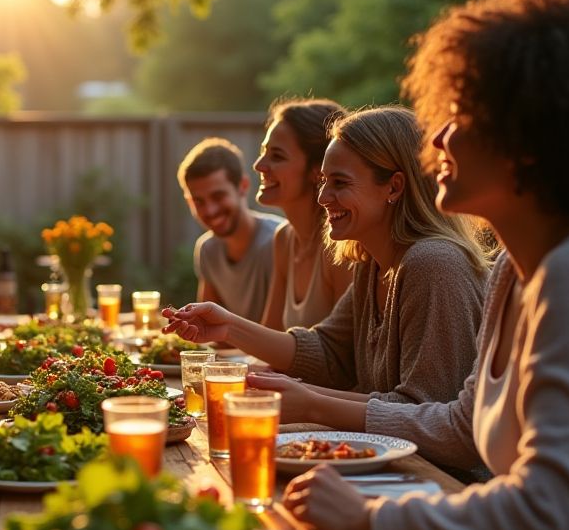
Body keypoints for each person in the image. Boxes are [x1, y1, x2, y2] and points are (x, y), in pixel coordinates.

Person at [283, 0, 569, 530]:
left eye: (462, 113)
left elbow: (548, 513)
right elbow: (461, 427)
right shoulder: (512, 271)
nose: (439, 136)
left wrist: (372, 515)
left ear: (529, 137)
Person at [165, 107, 489, 420]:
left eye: (340, 183)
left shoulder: (433, 265)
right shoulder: (370, 262)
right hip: (388, 461)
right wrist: (228, 327)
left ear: (393, 187)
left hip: (442, 476)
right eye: (323, 181)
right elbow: (329, 352)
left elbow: (430, 411)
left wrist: (312, 404)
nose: (322, 197)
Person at [253, 98, 354, 330]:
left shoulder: (342, 247)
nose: (259, 165)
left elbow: (345, 356)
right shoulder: (284, 239)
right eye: (263, 152)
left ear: (318, 171)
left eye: (276, 156)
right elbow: (269, 338)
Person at [177, 137, 284, 322]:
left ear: (243, 186)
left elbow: (281, 335)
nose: (210, 210)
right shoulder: (207, 248)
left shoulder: (279, 241)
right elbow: (209, 328)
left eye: (218, 196)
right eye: (198, 201)